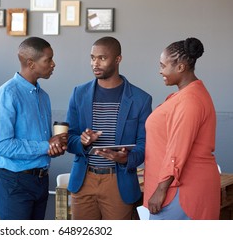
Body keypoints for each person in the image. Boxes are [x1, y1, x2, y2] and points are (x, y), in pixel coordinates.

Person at [65, 36, 152, 220]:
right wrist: (82, 141)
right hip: (84, 180)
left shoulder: (141, 99)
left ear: (118, 59)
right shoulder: (78, 93)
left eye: (102, 58)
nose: (95, 63)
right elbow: (69, 138)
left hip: (118, 182)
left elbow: (144, 144)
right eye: (92, 57)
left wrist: (127, 158)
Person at [0, 37, 68, 220]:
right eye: (48, 60)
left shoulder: (43, 97)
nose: (53, 64)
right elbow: (1, 145)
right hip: (14, 182)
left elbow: (41, 142)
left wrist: (52, 149)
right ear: (31, 63)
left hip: (40, 179)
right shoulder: (7, 94)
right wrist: (45, 146)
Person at [143, 37, 220, 220]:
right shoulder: (186, 95)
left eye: (163, 66)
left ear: (180, 67)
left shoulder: (190, 100)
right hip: (177, 187)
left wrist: (161, 190)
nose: (160, 70)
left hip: (181, 192)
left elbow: (177, 149)